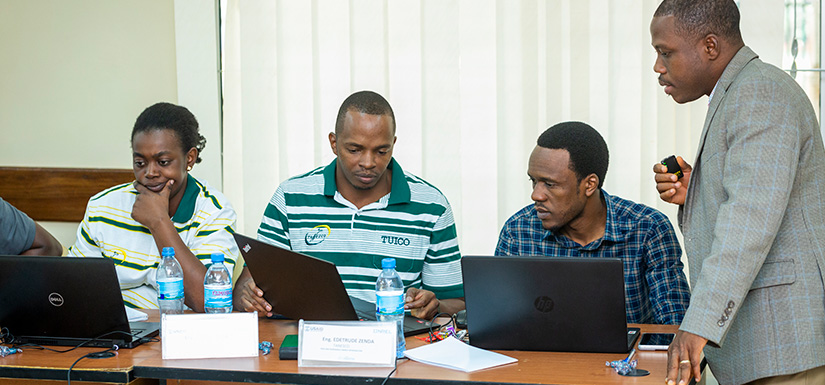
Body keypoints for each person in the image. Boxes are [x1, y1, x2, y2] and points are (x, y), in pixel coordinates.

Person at [650, 1, 825, 384]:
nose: (658, 67)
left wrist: (699, 322)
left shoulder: (760, 93)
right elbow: (761, 197)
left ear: (710, 46)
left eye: (666, 53)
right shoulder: (743, 93)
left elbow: (749, 220)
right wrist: (699, 191)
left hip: (783, 348)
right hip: (770, 349)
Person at [234, 90, 464, 320]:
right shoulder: (290, 197)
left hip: (395, 347)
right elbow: (245, 288)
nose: (368, 162)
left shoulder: (432, 206)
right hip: (306, 342)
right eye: (354, 150)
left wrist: (434, 305)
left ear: (393, 144)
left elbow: (457, 303)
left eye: (382, 151)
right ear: (334, 143)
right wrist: (248, 295)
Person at [496, 121, 690, 325]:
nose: (536, 195)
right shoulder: (517, 231)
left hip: (630, 358)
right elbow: (501, 320)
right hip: (543, 357)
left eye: (550, 184)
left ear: (589, 185)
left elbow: (674, 324)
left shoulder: (648, 229)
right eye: (533, 181)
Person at [68, 102, 240, 312]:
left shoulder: (215, 211)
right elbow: (73, 287)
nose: (150, 172)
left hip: (183, 334)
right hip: (116, 332)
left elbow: (207, 302)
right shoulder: (102, 207)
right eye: (140, 163)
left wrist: (159, 222)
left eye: (163, 161)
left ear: (189, 158)